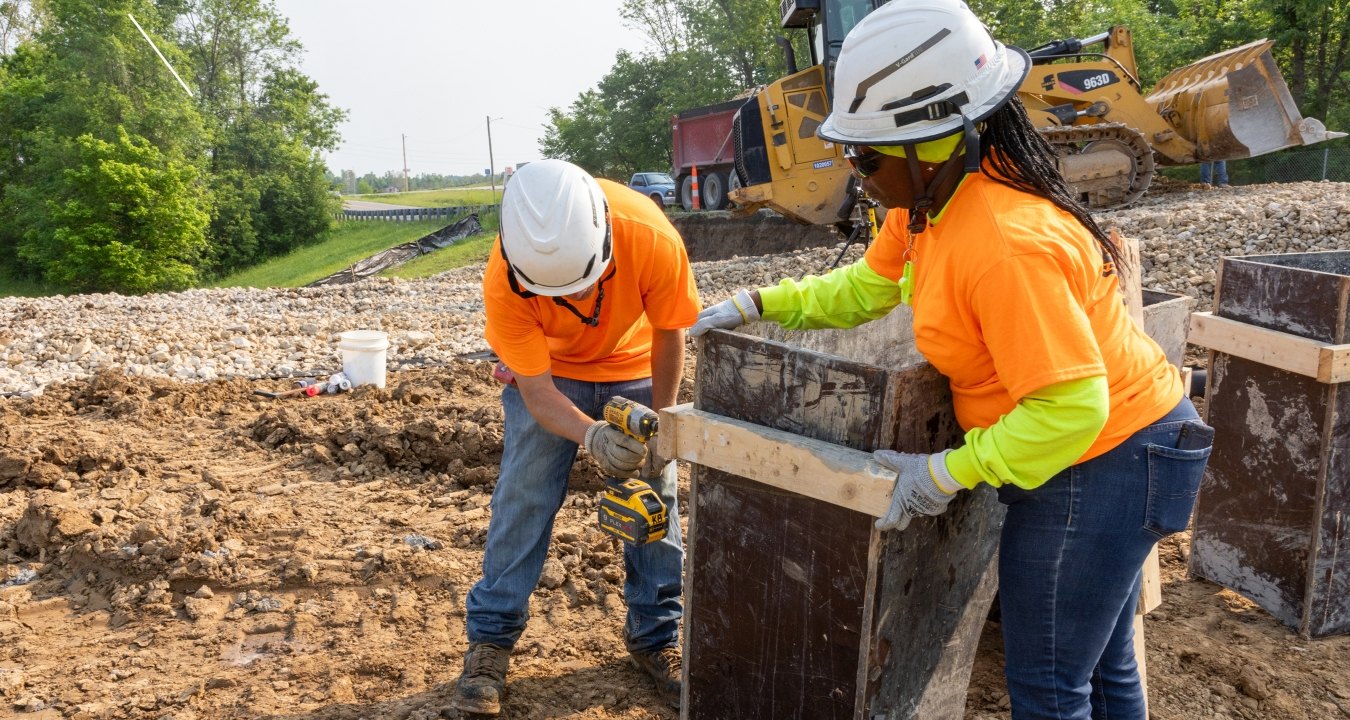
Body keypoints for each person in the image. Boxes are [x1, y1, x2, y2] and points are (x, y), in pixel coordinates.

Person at [690, 2, 1214, 718]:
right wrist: (763, 303)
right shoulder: (929, 202)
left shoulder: (1005, 242)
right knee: (1098, 666)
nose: (857, 172)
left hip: (1105, 463)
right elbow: (869, 286)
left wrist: (941, 473)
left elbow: (1071, 407)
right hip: (1111, 452)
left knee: (1050, 687)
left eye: (866, 156)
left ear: (939, 137)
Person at [453, 159, 699, 715]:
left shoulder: (650, 233)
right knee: (525, 495)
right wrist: (590, 436)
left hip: (635, 364)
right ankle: (490, 641)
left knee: (655, 498)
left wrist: (661, 424)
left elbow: (669, 332)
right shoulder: (504, 276)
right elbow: (537, 395)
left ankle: (657, 636)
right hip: (551, 371)